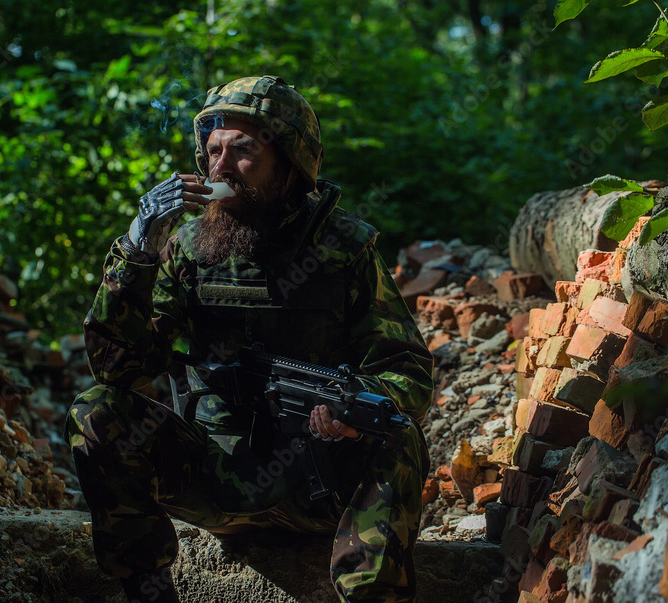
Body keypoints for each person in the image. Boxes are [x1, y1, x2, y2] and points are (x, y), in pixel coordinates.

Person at [66, 75, 433, 603]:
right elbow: (118, 370)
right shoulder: (187, 250)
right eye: (212, 151)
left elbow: (409, 370)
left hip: (320, 484)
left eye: (242, 152)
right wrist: (137, 250)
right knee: (96, 410)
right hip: (216, 481)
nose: (219, 168)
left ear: (288, 160)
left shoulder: (344, 249)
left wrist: (355, 412)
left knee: (397, 435)